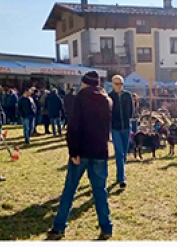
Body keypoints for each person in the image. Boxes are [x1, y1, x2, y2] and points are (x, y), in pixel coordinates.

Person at [47, 71, 113, 240]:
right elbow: (106, 129)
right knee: (100, 191)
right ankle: (106, 228)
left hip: (82, 151)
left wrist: (73, 151)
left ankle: (59, 226)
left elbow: (73, 127)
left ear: (84, 83)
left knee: (70, 189)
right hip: (99, 151)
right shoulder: (106, 100)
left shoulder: (80, 98)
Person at [108, 75, 133, 188]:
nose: (119, 86)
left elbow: (131, 111)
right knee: (119, 152)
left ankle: (120, 173)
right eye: (117, 84)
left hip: (126, 127)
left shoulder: (127, 95)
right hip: (115, 128)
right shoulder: (109, 96)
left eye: (121, 84)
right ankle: (122, 178)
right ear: (112, 84)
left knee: (125, 152)